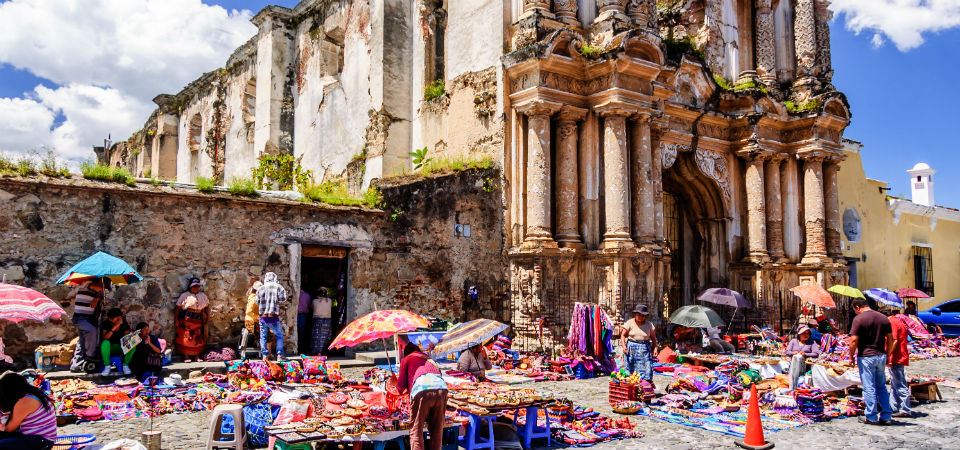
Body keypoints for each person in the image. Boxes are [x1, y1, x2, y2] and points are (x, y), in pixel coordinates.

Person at [848, 297, 893, 425]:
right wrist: (888, 354)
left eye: (855, 310)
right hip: (881, 356)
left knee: (869, 387)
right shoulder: (883, 318)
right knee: (881, 386)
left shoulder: (859, 319)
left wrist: (851, 357)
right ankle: (886, 415)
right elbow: (891, 339)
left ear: (857, 307)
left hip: (866, 356)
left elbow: (853, 340)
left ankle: (871, 416)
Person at [396, 343, 448, 450]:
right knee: (436, 430)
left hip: (422, 390)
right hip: (442, 389)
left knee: (416, 430)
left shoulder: (407, 359)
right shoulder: (430, 359)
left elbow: (400, 388)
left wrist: (394, 382)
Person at [0, 371, 57, 449]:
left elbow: (9, 429)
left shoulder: (24, 401)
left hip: (41, 441)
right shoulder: (34, 394)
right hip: (38, 438)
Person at [70, 280, 103, 372]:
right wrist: (102, 284)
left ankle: (76, 365)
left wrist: (97, 297)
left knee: (82, 341)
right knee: (92, 331)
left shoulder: (94, 291)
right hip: (81, 318)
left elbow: (100, 293)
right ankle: (90, 357)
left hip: (89, 317)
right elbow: (101, 288)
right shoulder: (87, 283)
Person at [175, 278, 210, 362]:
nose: (195, 288)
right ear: (190, 287)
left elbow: (207, 307)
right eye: (194, 286)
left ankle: (197, 355)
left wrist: (208, 318)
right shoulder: (185, 295)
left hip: (198, 317)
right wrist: (176, 319)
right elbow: (178, 307)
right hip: (187, 318)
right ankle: (186, 356)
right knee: (186, 336)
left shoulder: (202, 295)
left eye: (197, 286)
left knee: (197, 337)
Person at [619, 305, 657, 381]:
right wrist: (624, 347)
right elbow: (622, 335)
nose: (641, 317)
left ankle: (645, 384)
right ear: (635, 315)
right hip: (632, 349)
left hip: (645, 349)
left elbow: (654, 339)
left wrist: (655, 349)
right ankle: (631, 384)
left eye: (643, 315)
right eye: (639, 314)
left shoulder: (649, 325)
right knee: (630, 368)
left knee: (646, 367)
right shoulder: (630, 323)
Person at [886, 311, 912, 418]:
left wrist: (888, 354)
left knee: (900, 384)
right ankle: (894, 407)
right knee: (894, 384)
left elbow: (895, 340)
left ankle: (905, 409)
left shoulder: (892, 322)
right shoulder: (898, 321)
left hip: (896, 357)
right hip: (899, 356)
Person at [256, 272, 288, 360]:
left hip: (263, 316)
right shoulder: (279, 287)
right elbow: (283, 299)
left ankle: (265, 355)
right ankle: (280, 355)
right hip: (273, 316)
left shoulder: (260, 288)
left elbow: (256, 301)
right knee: (279, 335)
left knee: (263, 336)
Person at [784, 326, 821, 391]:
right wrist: (793, 353)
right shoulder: (793, 341)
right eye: (804, 333)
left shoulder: (812, 342)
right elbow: (787, 352)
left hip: (806, 367)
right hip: (794, 366)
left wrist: (806, 354)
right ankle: (793, 386)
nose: (806, 335)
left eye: (808, 333)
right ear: (799, 334)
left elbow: (816, 353)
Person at [100, 308, 133, 376]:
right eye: (117, 318)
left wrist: (129, 335)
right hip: (109, 348)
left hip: (120, 347)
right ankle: (107, 366)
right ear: (110, 319)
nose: (119, 320)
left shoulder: (124, 323)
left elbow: (126, 337)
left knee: (132, 343)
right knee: (105, 343)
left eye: (120, 318)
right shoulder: (106, 324)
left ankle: (125, 365)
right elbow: (104, 338)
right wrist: (114, 327)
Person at [239, 281, 262, 352]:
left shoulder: (252, 296)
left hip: (250, 321)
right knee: (268, 333)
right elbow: (249, 311)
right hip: (252, 322)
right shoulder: (254, 298)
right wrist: (258, 317)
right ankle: (265, 351)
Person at [310, 287, 333, 355]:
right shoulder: (329, 301)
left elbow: (311, 308)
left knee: (317, 337)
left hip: (317, 320)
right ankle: (323, 351)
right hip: (327, 321)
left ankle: (318, 352)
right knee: (325, 337)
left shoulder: (315, 301)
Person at [297, 288, 312, 354]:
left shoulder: (296, 295)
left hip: (295, 315)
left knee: (296, 333)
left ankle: (297, 349)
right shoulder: (307, 295)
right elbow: (309, 306)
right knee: (302, 334)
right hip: (303, 316)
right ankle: (301, 350)